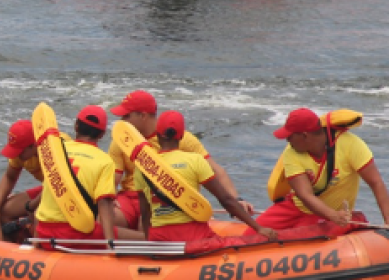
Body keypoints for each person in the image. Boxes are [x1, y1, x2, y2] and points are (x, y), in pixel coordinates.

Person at [108, 89, 245, 231]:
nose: (121, 121)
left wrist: (237, 200)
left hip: (168, 198)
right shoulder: (121, 141)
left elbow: (216, 171)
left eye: (126, 116)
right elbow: (112, 179)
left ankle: (141, 238)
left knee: (147, 224)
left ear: (142, 116)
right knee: (105, 219)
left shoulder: (180, 138)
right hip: (131, 197)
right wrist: (108, 200)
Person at [135, 111, 275, 249]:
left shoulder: (143, 167)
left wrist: (151, 246)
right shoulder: (195, 160)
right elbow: (226, 200)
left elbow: (145, 212)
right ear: (181, 136)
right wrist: (258, 228)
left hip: (160, 239)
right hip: (193, 236)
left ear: (157, 134)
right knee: (240, 245)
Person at [256, 108, 389, 230]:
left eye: (290, 136)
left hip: (327, 215)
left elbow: (376, 183)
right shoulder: (291, 153)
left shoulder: (351, 144)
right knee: (252, 233)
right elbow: (305, 195)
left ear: (304, 135)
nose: (287, 140)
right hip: (297, 207)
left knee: (298, 237)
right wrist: (333, 215)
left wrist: (387, 221)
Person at [33, 106, 120, 244]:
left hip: (43, 232)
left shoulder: (55, 151)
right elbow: (104, 204)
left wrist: (36, 241)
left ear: (76, 126)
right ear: (102, 135)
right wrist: (110, 245)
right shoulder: (105, 161)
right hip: (75, 237)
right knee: (130, 237)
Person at [0, 119, 44, 240]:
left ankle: (35, 243)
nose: (16, 155)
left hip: (63, 190)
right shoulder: (21, 153)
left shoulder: (51, 152)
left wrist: (31, 205)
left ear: (33, 145)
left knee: (39, 214)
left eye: (20, 151)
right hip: (47, 188)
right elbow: (10, 177)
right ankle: (18, 244)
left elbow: (56, 186)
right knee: (4, 211)